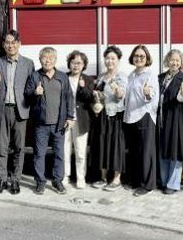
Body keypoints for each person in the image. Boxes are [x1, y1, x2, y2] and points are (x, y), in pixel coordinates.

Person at [24, 47, 76, 195]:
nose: (47, 60)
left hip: (59, 124)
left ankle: (57, 181)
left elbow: (69, 98)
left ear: (55, 60)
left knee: (59, 154)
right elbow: (26, 97)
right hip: (40, 124)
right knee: (39, 154)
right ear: (40, 60)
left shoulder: (62, 77)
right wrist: (35, 93)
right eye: (44, 58)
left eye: (51, 58)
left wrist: (70, 117)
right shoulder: (35, 76)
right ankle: (40, 182)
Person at [0, 30, 35, 195]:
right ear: (3, 45)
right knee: (2, 147)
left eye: (13, 42)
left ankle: (15, 180)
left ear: (19, 44)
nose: (11, 45)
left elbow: (31, 86)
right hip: (3, 109)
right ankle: (2, 179)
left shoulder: (28, 63)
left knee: (19, 148)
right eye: (7, 43)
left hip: (20, 110)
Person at [89, 46, 128, 191]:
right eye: (107, 58)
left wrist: (116, 88)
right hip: (101, 116)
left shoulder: (121, 76)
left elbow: (121, 96)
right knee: (102, 145)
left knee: (115, 146)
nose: (109, 61)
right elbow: (98, 95)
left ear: (118, 60)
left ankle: (116, 179)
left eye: (113, 58)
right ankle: (103, 177)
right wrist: (96, 97)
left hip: (115, 116)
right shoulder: (101, 76)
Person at [123, 45, 160, 197]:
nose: (138, 58)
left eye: (142, 56)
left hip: (145, 115)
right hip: (131, 116)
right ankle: (136, 180)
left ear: (147, 58)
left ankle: (148, 185)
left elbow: (153, 97)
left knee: (146, 152)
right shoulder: (131, 75)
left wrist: (148, 93)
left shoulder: (150, 75)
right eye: (136, 56)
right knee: (135, 151)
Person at [157, 49, 183, 195]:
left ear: (181, 62)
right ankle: (164, 181)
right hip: (161, 119)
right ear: (167, 61)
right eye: (172, 60)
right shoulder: (161, 77)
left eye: (178, 60)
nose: (175, 63)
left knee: (175, 150)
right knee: (163, 149)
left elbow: (181, 99)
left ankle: (173, 184)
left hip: (176, 119)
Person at [63, 50, 94, 189]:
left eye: (79, 63)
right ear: (69, 63)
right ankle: (65, 176)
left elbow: (90, 99)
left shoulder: (88, 80)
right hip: (65, 121)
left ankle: (81, 178)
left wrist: (82, 87)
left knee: (80, 152)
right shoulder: (63, 78)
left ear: (83, 65)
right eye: (73, 62)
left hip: (81, 120)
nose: (76, 65)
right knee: (65, 151)